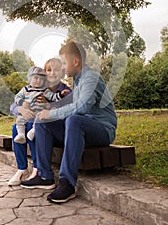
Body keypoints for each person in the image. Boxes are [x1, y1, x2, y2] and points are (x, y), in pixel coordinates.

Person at [20, 41, 117, 204]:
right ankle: (45, 176)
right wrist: (45, 113)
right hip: (82, 127)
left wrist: (52, 113)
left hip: (103, 130)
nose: (62, 68)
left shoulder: (90, 77)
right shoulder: (77, 81)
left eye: (64, 63)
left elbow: (82, 107)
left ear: (76, 61)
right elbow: (69, 108)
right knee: (45, 123)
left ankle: (67, 184)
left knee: (72, 119)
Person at [8, 58, 71, 186]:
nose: (52, 73)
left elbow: (66, 110)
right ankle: (21, 168)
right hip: (32, 118)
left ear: (62, 72)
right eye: (48, 70)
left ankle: (37, 168)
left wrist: (48, 105)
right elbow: (13, 105)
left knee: (33, 126)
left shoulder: (64, 91)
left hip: (52, 127)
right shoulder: (35, 86)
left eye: (56, 70)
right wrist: (21, 109)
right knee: (16, 128)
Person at [14, 66, 69, 144]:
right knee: (19, 120)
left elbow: (53, 97)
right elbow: (17, 98)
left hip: (39, 112)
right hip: (28, 112)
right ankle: (21, 135)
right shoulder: (25, 89)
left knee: (39, 120)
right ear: (30, 78)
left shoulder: (44, 90)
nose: (39, 81)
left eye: (41, 79)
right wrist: (22, 103)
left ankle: (33, 131)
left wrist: (61, 94)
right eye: (36, 78)